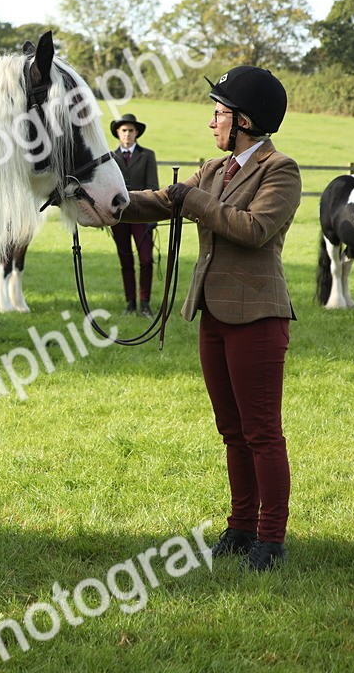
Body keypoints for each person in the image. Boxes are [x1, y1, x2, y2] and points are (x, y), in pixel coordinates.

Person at [120, 66, 299, 571]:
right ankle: (241, 527)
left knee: (262, 431)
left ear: (243, 120)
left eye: (218, 113)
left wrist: (193, 200)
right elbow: (160, 201)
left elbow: (256, 228)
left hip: (258, 317)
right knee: (232, 430)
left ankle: (272, 538)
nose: (211, 123)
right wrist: (101, 203)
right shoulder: (216, 169)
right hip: (213, 315)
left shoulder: (279, 169)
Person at [109, 114, 160, 317]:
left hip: (142, 216)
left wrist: (152, 218)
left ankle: (145, 303)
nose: (127, 134)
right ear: (118, 133)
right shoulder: (111, 158)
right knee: (125, 261)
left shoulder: (147, 155)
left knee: (146, 260)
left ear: (136, 133)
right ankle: (130, 303)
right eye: (124, 130)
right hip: (120, 218)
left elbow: (153, 187)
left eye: (131, 130)